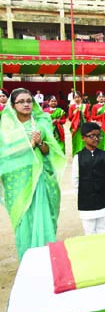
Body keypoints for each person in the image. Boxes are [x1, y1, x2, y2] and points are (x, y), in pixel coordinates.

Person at [0, 88, 66, 260]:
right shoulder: (7, 126)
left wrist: (40, 142)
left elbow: (48, 150)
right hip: (18, 181)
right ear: (13, 106)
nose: (26, 104)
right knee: (23, 219)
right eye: (21, 101)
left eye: (29, 101)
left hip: (41, 177)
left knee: (44, 218)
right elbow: (6, 154)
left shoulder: (42, 122)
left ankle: (46, 258)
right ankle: (27, 260)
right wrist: (29, 143)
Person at [72, 122, 105, 235]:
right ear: (83, 138)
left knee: (104, 227)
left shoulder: (104, 155)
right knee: (89, 230)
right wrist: (81, 194)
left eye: (98, 135)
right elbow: (75, 179)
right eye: (92, 136)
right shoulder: (78, 157)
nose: (96, 138)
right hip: (86, 200)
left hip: (103, 197)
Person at [68, 91, 92, 155]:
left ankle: (85, 154)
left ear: (81, 98)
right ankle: (76, 154)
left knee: (84, 140)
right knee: (76, 141)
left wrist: (82, 115)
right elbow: (70, 118)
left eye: (78, 97)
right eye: (75, 97)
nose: (77, 99)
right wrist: (76, 114)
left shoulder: (85, 106)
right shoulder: (71, 107)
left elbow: (88, 117)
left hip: (84, 126)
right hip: (75, 127)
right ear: (73, 99)